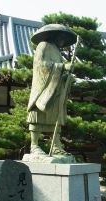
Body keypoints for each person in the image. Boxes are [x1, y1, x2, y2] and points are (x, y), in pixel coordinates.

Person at [26, 24, 77, 158]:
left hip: (55, 91)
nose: (63, 41)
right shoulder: (43, 45)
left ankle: (55, 145)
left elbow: (59, 73)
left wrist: (66, 76)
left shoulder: (57, 52)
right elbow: (40, 65)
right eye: (61, 37)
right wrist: (62, 67)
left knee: (56, 117)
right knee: (38, 116)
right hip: (43, 90)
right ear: (54, 35)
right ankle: (34, 145)